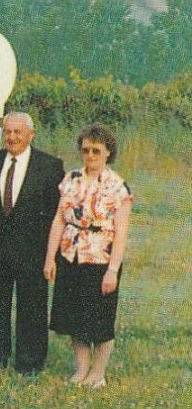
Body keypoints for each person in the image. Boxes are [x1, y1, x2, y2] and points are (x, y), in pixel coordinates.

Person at [46, 124, 132, 389]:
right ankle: (81, 370)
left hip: (100, 260)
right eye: (85, 150)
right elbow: (59, 221)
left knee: (99, 320)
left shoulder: (118, 187)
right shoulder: (70, 180)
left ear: (108, 152)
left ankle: (98, 373)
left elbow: (121, 233)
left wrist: (112, 270)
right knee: (73, 318)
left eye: (96, 150)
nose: (90, 155)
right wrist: (50, 258)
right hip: (70, 256)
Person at [0, 112, 64, 374]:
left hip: (32, 250)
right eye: (7, 132)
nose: (12, 137)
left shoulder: (50, 166)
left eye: (18, 132)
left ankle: (29, 362)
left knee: (33, 306)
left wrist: (51, 255)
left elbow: (55, 213)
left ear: (31, 134)